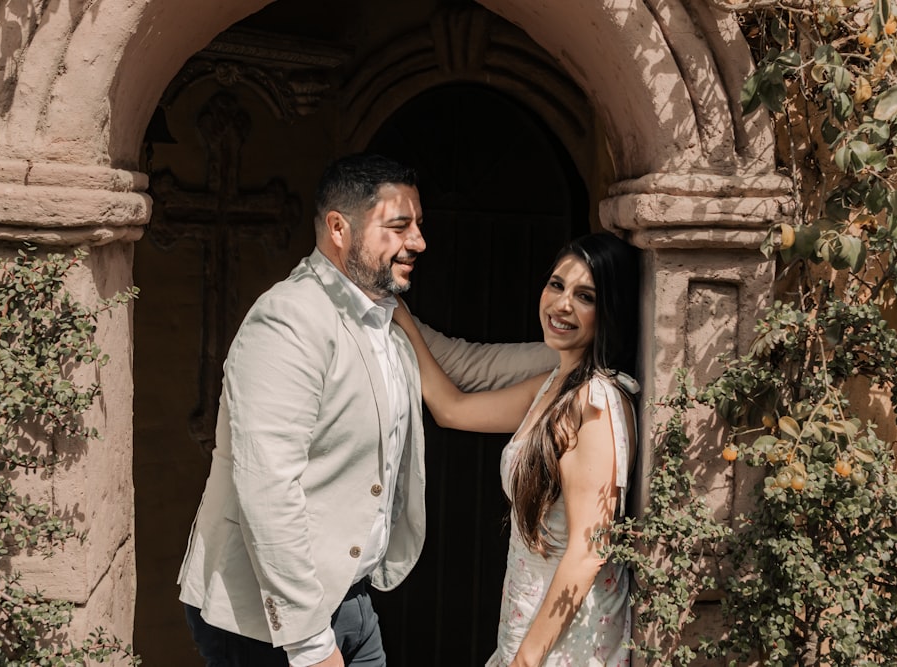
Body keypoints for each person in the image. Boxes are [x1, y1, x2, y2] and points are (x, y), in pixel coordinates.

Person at [176, 153, 556, 667]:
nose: (418, 241)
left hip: (350, 601)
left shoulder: (386, 311)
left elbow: (470, 366)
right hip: (265, 621)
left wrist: (580, 351)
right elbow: (268, 489)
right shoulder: (289, 322)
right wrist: (311, 644)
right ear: (339, 228)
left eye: (418, 225)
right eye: (399, 226)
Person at [393, 233, 639, 666]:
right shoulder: (555, 385)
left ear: (609, 310)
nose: (562, 305)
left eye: (585, 296)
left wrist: (527, 658)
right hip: (527, 624)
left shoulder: (595, 403)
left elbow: (589, 551)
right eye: (557, 285)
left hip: (563, 642)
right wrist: (399, 317)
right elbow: (452, 408)